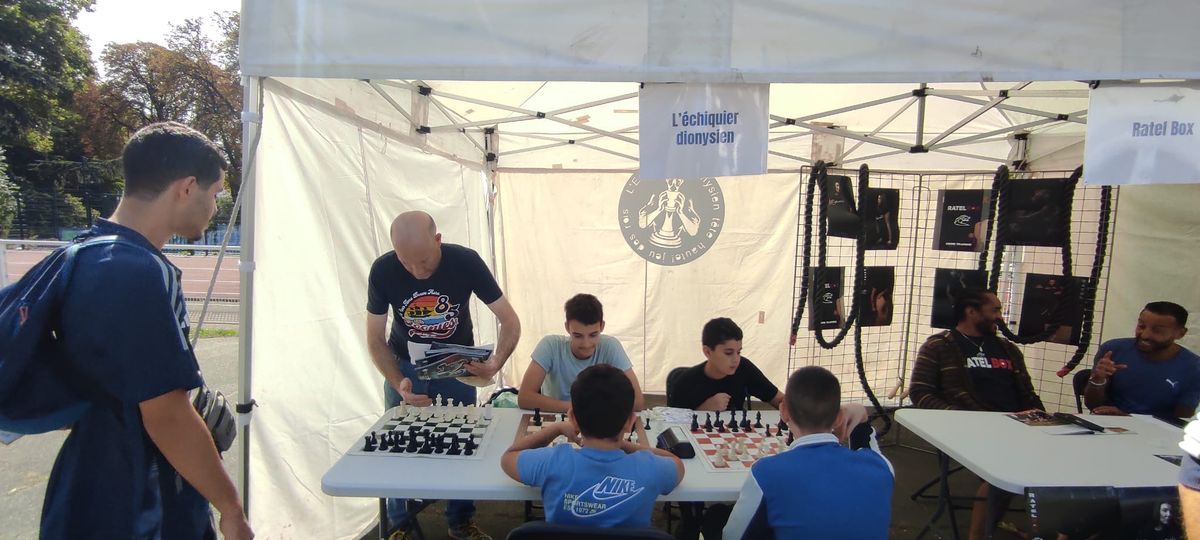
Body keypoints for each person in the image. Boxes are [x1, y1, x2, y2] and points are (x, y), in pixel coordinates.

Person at [40, 122, 251, 539]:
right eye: (215, 193)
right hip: (138, 498)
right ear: (187, 187)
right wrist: (230, 509)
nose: (214, 206)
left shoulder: (84, 252)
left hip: (90, 479)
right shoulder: (133, 271)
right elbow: (166, 415)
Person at [366, 211, 521, 540]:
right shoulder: (383, 269)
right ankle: (399, 526)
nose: (416, 271)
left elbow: (510, 321)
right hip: (404, 365)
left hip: (456, 367)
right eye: (406, 263)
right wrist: (397, 381)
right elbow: (375, 339)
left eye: (423, 261)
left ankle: (460, 522)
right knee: (399, 448)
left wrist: (495, 363)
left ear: (438, 240)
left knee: (462, 446)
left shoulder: (465, 262)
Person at [669, 317, 867, 540]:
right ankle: (691, 523)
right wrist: (703, 408)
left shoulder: (744, 369)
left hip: (734, 448)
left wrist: (815, 411)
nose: (736, 359)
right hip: (696, 457)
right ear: (707, 351)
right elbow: (666, 425)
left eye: (739, 351)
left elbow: (780, 399)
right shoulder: (686, 381)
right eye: (728, 353)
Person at [910, 288, 1045, 540]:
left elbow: (1028, 392)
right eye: (994, 310)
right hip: (973, 427)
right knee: (1007, 470)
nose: (1000, 317)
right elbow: (920, 393)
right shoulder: (939, 346)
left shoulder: (1008, 349)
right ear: (971, 312)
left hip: (1017, 426)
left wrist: (1041, 418)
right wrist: (957, 416)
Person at [501, 364, 683, 528]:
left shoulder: (553, 462)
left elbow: (509, 457)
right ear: (630, 422)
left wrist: (556, 429)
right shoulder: (649, 467)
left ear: (573, 418)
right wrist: (623, 444)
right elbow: (676, 462)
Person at [723, 366, 893, 539]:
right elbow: (865, 443)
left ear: (783, 412)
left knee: (717, 516)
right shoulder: (881, 467)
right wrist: (861, 412)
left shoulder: (765, 474)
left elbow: (732, 536)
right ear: (839, 417)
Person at [517, 294, 644, 413]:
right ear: (567, 327)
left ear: (602, 326)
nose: (586, 344)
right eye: (578, 336)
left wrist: (582, 410)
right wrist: (581, 409)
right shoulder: (550, 346)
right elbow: (524, 398)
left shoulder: (611, 347)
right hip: (561, 421)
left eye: (593, 335)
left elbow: (638, 402)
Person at [1085, 302, 1200, 419]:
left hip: (1157, 434)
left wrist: (1128, 418)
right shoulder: (1112, 349)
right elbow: (1092, 405)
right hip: (1107, 426)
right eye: (1141, 326)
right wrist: (1098, 380)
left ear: (1180, 333)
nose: (1145, 335)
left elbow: (1181, 421)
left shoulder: (1194, 367)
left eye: (1157, 331)